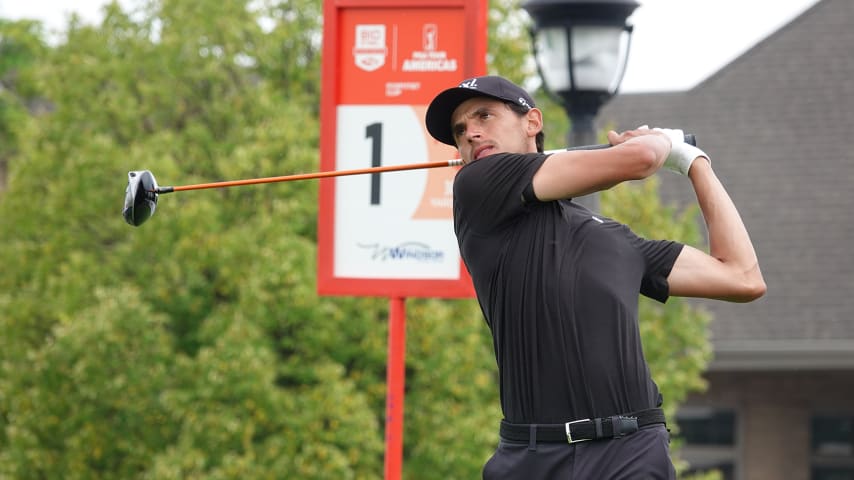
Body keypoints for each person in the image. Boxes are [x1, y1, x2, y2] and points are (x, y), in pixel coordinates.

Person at [424, 75, 766, 479]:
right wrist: (662, 142)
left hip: (632, 451)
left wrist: (694, 162)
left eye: (484, 115)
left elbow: (742, 277)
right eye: (460, 130)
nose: (471, 133)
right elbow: (638, 160)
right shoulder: (477, 187)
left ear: (532, 122)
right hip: (531, 458)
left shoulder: (612, 237)